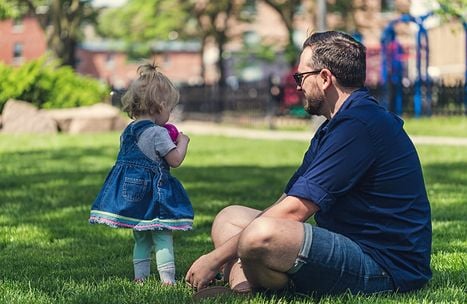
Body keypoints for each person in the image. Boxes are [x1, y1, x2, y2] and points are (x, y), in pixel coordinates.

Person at [185, 31, 432, 297]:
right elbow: (287, 201)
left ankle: (264, 285)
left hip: (384, 266)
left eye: (301, 77)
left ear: (325, 78)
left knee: (260, 235)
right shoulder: (336, 125)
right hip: (349, 244)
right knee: (230, 219)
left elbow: (294, 212)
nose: (298, 86)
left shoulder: (359, 125)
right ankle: (244, 291)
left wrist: (215, 259)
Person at [89, 63, 193, 285]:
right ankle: (167, 281)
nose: (170, 114)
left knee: (141, 237)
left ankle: (140, 279)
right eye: (170, 109)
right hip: (153, 197)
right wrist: (182, 142)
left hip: (132, 195)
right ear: (161, 106)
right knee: (163, 234)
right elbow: (175, 161)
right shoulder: (157, 133)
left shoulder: (128, 130)